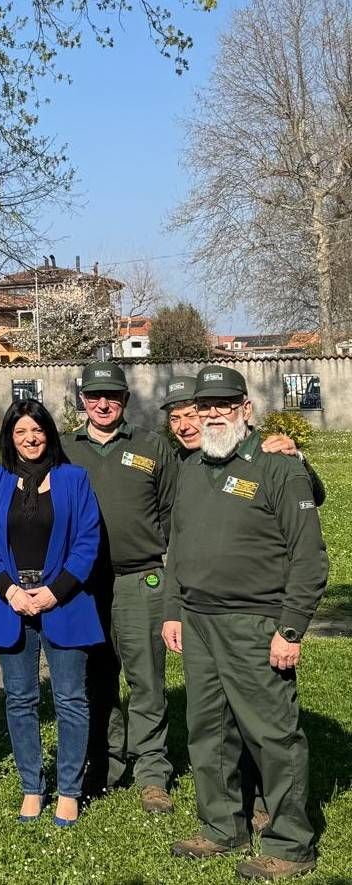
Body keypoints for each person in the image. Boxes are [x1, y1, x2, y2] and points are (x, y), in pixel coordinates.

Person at [163, 366, 326, 881]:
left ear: (246, 409)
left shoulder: (279, 466)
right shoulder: (191, 467)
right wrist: (172, 609)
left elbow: (309, 558)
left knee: (273, 736)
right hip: (198, 621)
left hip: (256, 622)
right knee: (208, 732)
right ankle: (222, 826)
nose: (213, 414)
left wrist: (291, 628)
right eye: (204, 406)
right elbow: (178, 545)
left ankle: (291, 844)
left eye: (225, 404)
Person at [0, 398, 103, 827]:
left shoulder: (73, 479)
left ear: (49, 432)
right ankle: (32, 785)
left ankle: (69, 790)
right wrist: (10, 591)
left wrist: (54, 592)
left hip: (64, 602)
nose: (30, 438)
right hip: (11, 604)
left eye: (37, 429)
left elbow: (87, 541)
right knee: (20, 700)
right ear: (9, 438)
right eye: (20, 432)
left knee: (70, 699)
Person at [60, 362, 178, 811]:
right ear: (83, 400)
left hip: (139, 579)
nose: (103, 403)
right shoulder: (65, 449)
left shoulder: (151, 446)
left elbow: (171, 513)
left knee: (146, 679)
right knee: (97, 677)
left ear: (125, 400)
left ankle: (152, 772)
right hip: (84, 585)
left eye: (112, 395)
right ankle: (105, 764)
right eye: (94, 395)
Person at [164, 375, 325, 505]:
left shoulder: (258, 453)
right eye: (174, 419)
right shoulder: (172, 461)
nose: (183, 426)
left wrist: (298, 459)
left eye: (191, 415)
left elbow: (313, 497)